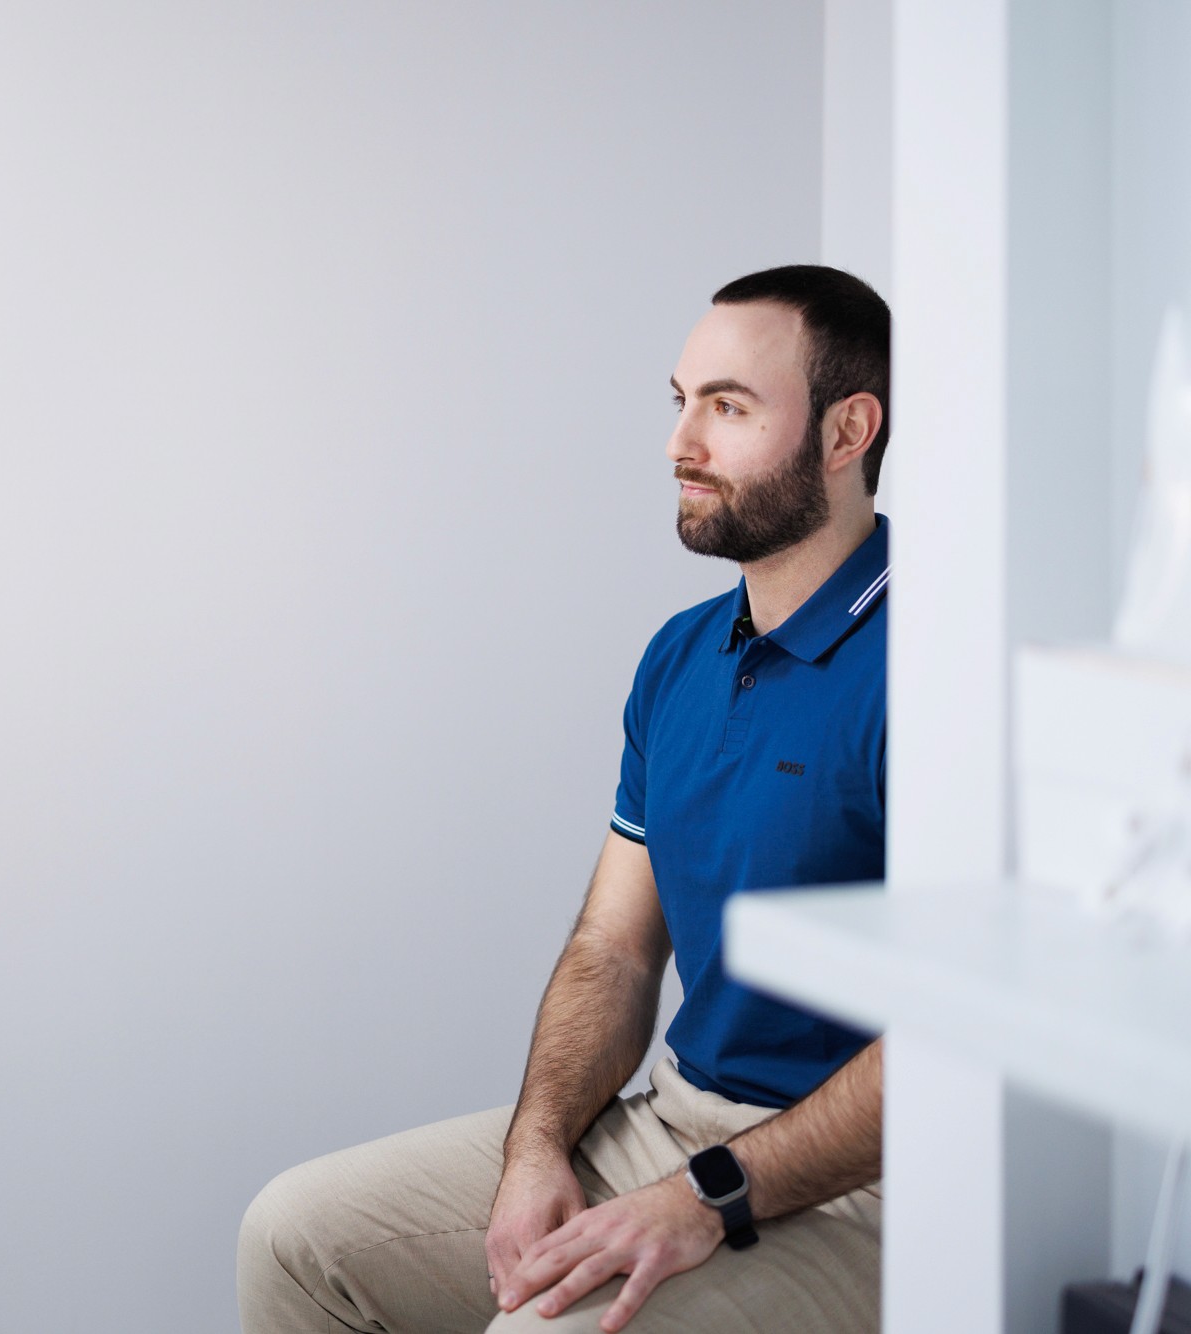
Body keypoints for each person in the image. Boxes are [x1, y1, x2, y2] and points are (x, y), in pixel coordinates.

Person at [237, 265, 891, 1334]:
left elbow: (951, 1051)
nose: (680, 442)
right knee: (294, 1238)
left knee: (541, 1327)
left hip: (864, 1187)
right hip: (677, 1123)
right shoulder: (677, 657)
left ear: (844, 430)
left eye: (726, 407)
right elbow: (614, 947)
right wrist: (536, 1146)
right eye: (678, 400)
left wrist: (704, 1197)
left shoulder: (933, 664)